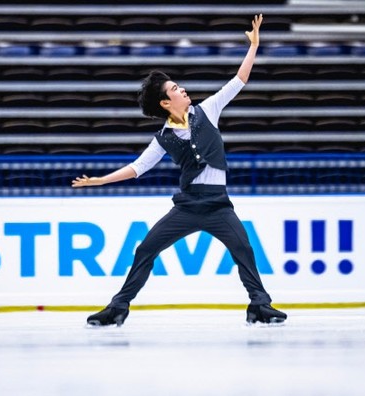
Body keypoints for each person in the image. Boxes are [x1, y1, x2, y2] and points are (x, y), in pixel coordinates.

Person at [72, 14, 287, 327]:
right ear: (164, 102)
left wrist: (253, 46)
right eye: (175, 87)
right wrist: (101, 180)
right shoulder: (162, 136)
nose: (183, 89)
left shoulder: (208, 110)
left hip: (218, 205)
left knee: (243, 248)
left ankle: (259, 305)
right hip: (187, 206)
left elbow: (238, 81)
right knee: (146, 248)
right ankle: (118, 307)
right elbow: (138, 167)